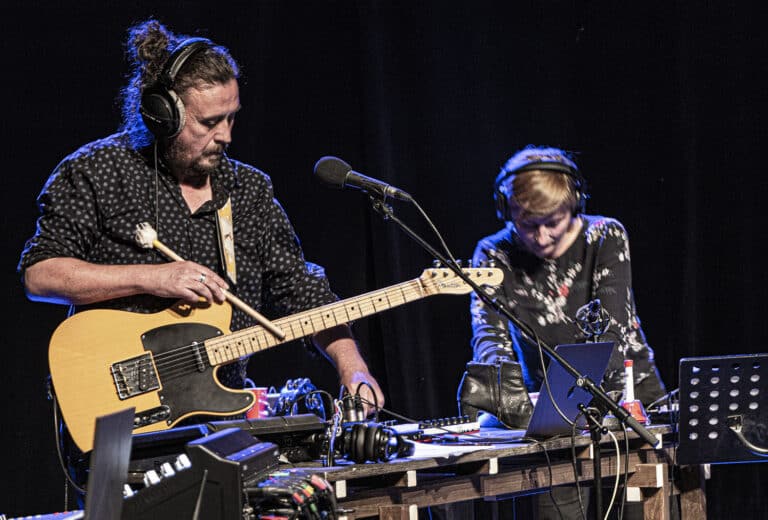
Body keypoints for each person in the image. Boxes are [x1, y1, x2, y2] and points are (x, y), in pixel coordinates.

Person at [18, 19, 384, 463]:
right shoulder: (97, 171)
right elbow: (41, 274)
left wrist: (352, 365)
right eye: (210, 122)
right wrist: (154, 278)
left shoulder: (248, 190)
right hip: (120, 423)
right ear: (161, 115)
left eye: (232, 118)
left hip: (222, 426)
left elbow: (302, 292)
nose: (226, 135)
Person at [466, 145, 668, 519]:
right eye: (527, 225)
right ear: (504, 209)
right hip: (550, 421)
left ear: (574, 205)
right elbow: (489, 339)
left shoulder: (605, 235)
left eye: (553, 222)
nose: (541, 237)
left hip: (629, 404)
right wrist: (505, 391)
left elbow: (611, 332)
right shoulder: (492, 253)